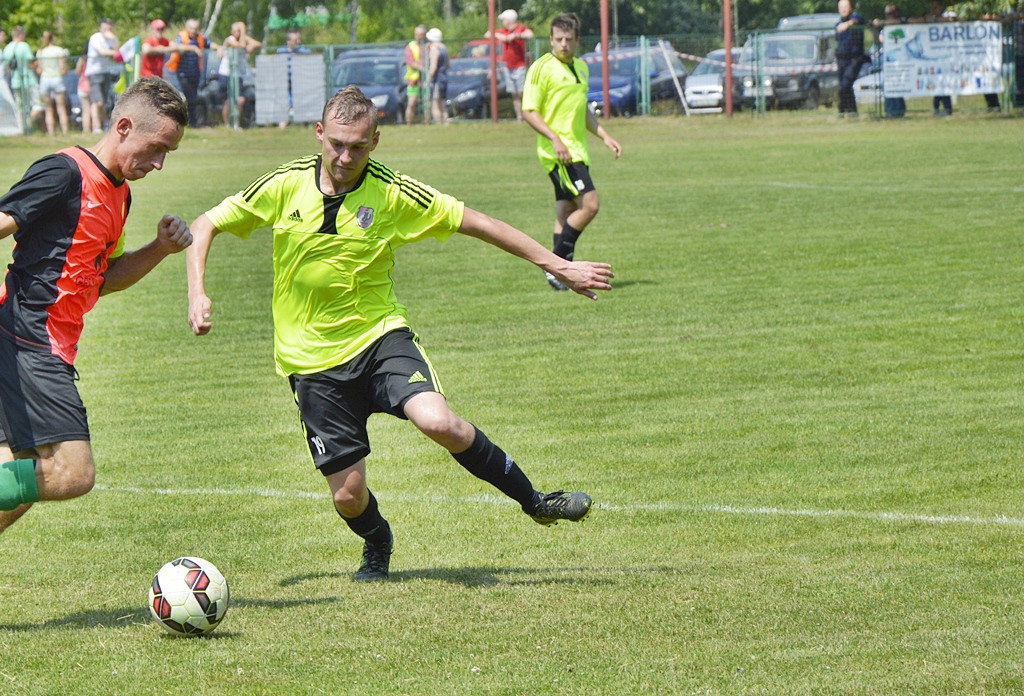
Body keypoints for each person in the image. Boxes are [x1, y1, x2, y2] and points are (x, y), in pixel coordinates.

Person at [185, 86, 611, 582]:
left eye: (359, 147)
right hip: (310, 362)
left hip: (378, 338)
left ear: (376, 141)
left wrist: (559, 264)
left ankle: (535, 500)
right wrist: (198, 292)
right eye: (337, 144)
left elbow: (480, 223)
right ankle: (378, 540)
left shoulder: (393, 192)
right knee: (347, 496)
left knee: (439, 422)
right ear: (319, 134)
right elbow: (206, 223)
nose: (346, 157)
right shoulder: (285, 184)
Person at [0, 78, 192, 535]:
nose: (160, 163)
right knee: (72, 471)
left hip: (48, 348)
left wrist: (160, 248)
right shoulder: (65, 172)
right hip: (28, 340)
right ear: (124, 126)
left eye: (168, 153)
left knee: (24, 474)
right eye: (156, 147)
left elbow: (100, 280)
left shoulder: (120, 195)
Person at [522, 13, 621, 291]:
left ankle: (557, 273)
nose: (563, 44)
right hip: (559, 154)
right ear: (551, 39)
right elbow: (529, 111)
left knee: (566, 210)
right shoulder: (542, 68)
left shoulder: (581, 67)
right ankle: (560, 267)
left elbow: (583, 110)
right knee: (590, 205)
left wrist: (604, 135)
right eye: (558, 39)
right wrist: (555, 139)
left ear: (577, 40)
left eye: (568, 39)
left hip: (578, 151)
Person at [165, 18, 215, 127]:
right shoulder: (181, 37)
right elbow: (177, 46)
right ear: (187, 28)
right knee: (190, 98)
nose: (193, 30)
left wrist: (219, 49)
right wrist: (193, 48)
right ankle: (191, 122)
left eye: (196, 28)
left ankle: (191, 122)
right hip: (183, 74)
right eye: (191, 28)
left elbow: (210, 45)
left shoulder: (201, 38)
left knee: (193, 98)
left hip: (195, 74)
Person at [487, 9, 535, 121]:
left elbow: (530, 34)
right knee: (514, 93)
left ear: (510, 20)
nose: (503, 22)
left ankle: (528, 116)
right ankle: (519, 117)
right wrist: (500, 36)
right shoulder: (503, 31)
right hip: (508, 66)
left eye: (504, 20)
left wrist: (516, 36)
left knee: (521, 92)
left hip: (519, 65)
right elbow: (488, 33)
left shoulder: (520, 28)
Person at [1, 26, 44, 133]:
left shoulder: (7, 48)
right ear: (21, 35)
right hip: (28, 80)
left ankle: (20, 129)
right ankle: (26, 126)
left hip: (15, 82)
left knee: (20, 108)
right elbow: (30, 64)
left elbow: (8, 68)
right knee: (38, 105)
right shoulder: (23, 46)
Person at [218, 21, 261, 128]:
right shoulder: (229, 40)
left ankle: (236, 123)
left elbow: (257, 44)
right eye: (236, 31)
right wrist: (243, 30)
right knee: (228, 100)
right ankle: (227, 124)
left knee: (240, 100)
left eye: (239, 31)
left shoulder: (242, 39)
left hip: (238, 74)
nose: (237, 33)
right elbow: (241, 45)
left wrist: (244, 36)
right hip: (226, 73)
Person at [872, 5, 906, 117]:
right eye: (887, 14)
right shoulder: (885, 28)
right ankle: (891, 111)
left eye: (891, 13)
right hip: (888, 62)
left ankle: (899, 110)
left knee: (898, 86)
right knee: (887, 86)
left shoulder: (902, 24)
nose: (888, 16)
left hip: (899, 61)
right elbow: (881, 39)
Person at [84, 18, 118, 133]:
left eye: (109, 28)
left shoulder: (111, 39)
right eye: (105, 28)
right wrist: (117, 52)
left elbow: (118, 50)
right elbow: (102, 52)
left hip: (105, 72)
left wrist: (113, 39)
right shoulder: (95, 38)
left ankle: (106, 124)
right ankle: (96, 127)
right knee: (97, 102)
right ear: (100, 28)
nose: (107, 31)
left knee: (103, 102)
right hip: (94, 72)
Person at [35, 30, 70, 136]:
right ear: (52, 38)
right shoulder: (59, 50)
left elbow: (39, 70)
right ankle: (65, 132)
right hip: (56, 78)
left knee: (48, 108)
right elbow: (63, 68)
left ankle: (51, 132)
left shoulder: (40, 52)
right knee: (61, 107)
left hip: (45, 79)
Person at [835, 0, 866, 116]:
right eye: (841, 7)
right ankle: (853, 112)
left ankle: (841, 110)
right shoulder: (837, 24)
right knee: (845, 86)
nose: (843, 9)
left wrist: (847, 24)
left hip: (854, 58)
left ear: (850, 8)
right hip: (842, 59)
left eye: (845, 6)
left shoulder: (856, 17)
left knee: (845, 84)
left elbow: (857, 21)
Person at [276, 28, 312, 128]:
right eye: (296, 40)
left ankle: (306, 127)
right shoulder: (281, 51)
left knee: (304, 107)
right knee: (285, 107)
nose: (299, 42)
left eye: (299, 39)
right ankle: (280, 131)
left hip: (301, 85)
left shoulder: (304, 51)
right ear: (288, 41)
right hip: (286, 85)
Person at [426, 27, 449, 125]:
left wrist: (427, 80)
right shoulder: (444, 48)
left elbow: (433, 67)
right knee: (442, 104)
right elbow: (448, 65)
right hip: (444, 77)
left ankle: (439, 124)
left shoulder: (434, 49)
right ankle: (446, 123)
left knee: (435, 104)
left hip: (437, 80)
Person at [404, 25, 426, 124]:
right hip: (414, 80)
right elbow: (410, 62)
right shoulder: (410, 47)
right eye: (418, 34)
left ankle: (427, 122)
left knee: (426, 103)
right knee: (412, 103)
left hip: (426, 79)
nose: (419, 36)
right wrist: (422, 68)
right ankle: (409, 123)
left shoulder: (428, 46)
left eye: (422, 34)